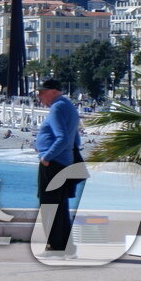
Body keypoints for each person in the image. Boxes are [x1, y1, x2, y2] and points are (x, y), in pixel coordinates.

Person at [34, 78, 81, 254]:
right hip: (63, 162)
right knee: (60, 206)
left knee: (49, 205)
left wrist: (47, 157)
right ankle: (66, 247)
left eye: (41, 92)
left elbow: (62, 137)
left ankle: (55, 245)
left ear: (53, 91)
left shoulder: (57, 107)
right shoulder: (67, 105)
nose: (39, 97)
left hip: (54, 163)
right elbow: (75, 138)